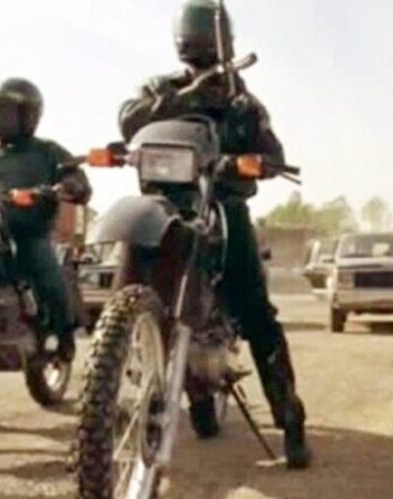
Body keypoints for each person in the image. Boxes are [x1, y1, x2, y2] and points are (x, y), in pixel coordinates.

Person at [118, 0, 310, 469]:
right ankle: (108, 394)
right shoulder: (160, 88)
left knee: (256, 310)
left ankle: (290, 420)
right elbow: (129, 121)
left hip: (221, 202)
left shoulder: (241, 100)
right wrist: (189, 97)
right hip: (164, 207)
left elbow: (271, 150)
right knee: (127, 286)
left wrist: (256, 163)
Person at [0, 78, 92, 361]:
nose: (3, 120)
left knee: (44, 270)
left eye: (10, 113)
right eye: (0, 112)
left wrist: (68, 186)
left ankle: (62, 332)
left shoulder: (48, 151)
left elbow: (73, 175)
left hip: (31, 232)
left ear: (29, 116)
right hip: (0, 230)